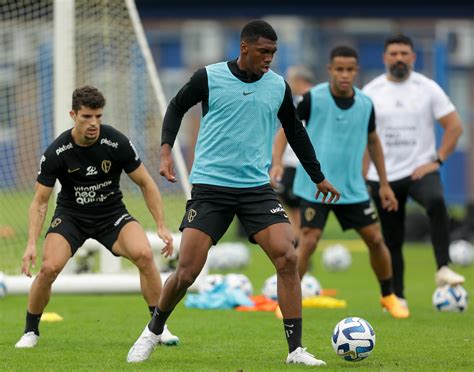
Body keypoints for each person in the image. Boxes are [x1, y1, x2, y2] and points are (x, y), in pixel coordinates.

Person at [127, 20, 340, 366]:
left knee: (287, 257)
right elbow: (177, 107)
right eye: (263, 52)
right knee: (187, 272)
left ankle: (295, 350)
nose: (269, 58)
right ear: (244, 48)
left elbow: (295, 132)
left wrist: (318, 177)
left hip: (255, 188)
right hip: (211, 187)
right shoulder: (208, 77)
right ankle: (152, 332)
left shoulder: (277, 87)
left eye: (273, 52)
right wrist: (166, 150)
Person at [15, 86, 179, 348]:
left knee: (145, 255)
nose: (94, 123)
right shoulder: (57, 152)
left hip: (111, 214)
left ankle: (158, 328)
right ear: (73, 115)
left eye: (98, 117)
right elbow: (40, 202)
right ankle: (30, 331)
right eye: (87, 117)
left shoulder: (116, 143)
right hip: (72, 217)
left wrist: (161, 225)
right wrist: (31, 243)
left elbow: (147, 183)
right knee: (48, 269)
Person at [272, 46, 409, 319]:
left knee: (375, 239)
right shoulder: (312, 98)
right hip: (315, 185)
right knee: (309, 239)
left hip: (351, 188)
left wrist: (383, 184)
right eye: (339, 70)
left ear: (356, 72)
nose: (345, 75)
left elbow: (373, 142)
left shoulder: (366, 104)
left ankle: (389, 296)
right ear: (330, 70)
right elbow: (287, 129)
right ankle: (287, 301)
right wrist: (276, 162)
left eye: (350, 70)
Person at [363, 34, 465, 310]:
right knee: (392, 237)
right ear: (385, 58)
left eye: (404, 53)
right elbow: (363, 136)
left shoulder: (427, 88)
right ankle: (398, 298)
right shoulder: (371, 91)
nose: (399, 58)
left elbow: (455, 125)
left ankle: (443, 266)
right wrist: (364, 175)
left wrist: (438, 160)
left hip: (421, 170)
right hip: (384, 176)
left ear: (413, 57)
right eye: (393, 53)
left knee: (437, 202)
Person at [273, 65, 316, 240]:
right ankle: (300, 244)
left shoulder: (306, 100)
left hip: (297, 165)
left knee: (296, 209)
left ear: (299, 80)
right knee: (292, 205)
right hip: (302, 165)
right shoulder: (306, 99)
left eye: (290, 81)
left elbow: (284, 132)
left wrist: (277, 162)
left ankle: (300, 245)